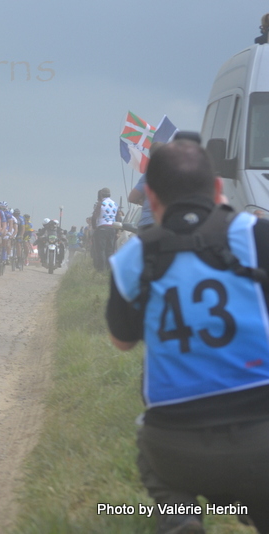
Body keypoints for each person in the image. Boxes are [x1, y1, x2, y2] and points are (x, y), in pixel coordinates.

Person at [106, 138, 269, 534]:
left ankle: (180, 520)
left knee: (161, 474)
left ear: (152, 199)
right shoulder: (257, 235)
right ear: (218, 189)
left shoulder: (132, 256)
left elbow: (122, 341)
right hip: (261, 435)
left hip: (174, 444)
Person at [91, 187, 118, 271]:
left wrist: (95, 227)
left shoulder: (100, 204)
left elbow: (94, 217)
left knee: (101, 250)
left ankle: (101, 269)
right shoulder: (115, 204)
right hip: (112, 228)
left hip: (102, 227)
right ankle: (109, 269)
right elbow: (118, 218)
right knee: (110, 250)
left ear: (101, 194)